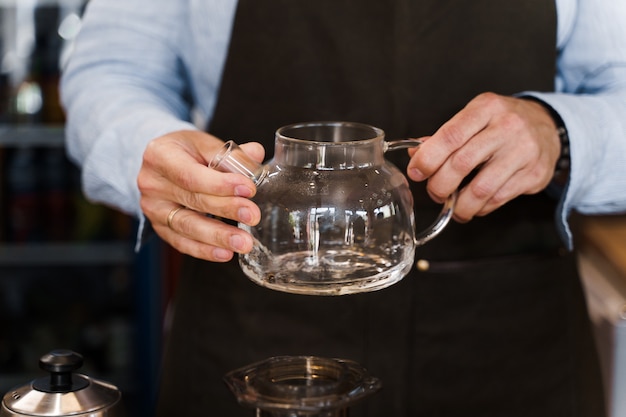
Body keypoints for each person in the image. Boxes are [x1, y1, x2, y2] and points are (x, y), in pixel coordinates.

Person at [60, 0, 626, 416]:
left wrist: (559, 131)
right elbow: (113, 71)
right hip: (255, 327)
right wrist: (148, 147)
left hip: (511, 348)